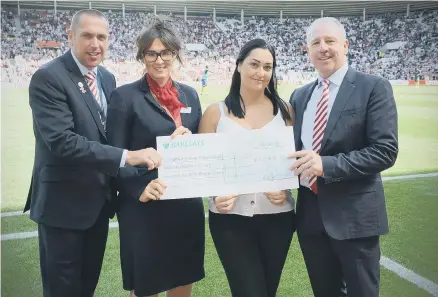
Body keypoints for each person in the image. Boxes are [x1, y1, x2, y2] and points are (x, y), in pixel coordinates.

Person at [24, 9, 161, 297]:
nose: (95, 43)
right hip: (63, 208)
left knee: (86, 287)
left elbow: (108, 135)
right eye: (87, 35)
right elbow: (62, 141)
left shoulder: (107, 78)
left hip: (97, 206)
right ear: (70, 35)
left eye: (102, 37)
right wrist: (129, 156)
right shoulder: (48, 77)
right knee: (63, 291)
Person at [289, 17, 398, 297]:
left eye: (330, 41)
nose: (323, 48)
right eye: (315, 43)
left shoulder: (373, 87)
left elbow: (384, 150)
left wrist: (325, 165)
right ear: (308, 50)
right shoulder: (300, 96)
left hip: (355, 217)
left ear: (346, 45)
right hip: (311, 217)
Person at [106, 19, 205, 297]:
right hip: (144, 206)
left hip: (185, 203)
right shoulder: (124, 97)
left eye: (166, 53)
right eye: (151, 53)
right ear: (142, 56)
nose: (159, 60)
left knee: (183, 279)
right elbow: (115, 155)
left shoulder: (190, 95)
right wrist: (139, 188)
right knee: (146, 285)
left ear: (176, 55)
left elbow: (201, 149)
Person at [199, 38, 296, 297]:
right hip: (230, 221)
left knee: (267, 290)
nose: (261, 73)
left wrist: (285, 189)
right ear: (239, 65)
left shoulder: (286, 111)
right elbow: (204, 169)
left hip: (279, 217)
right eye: (254, 64)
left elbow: (293, 161)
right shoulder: (215, 113)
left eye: (268, 67)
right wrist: (214, 196)